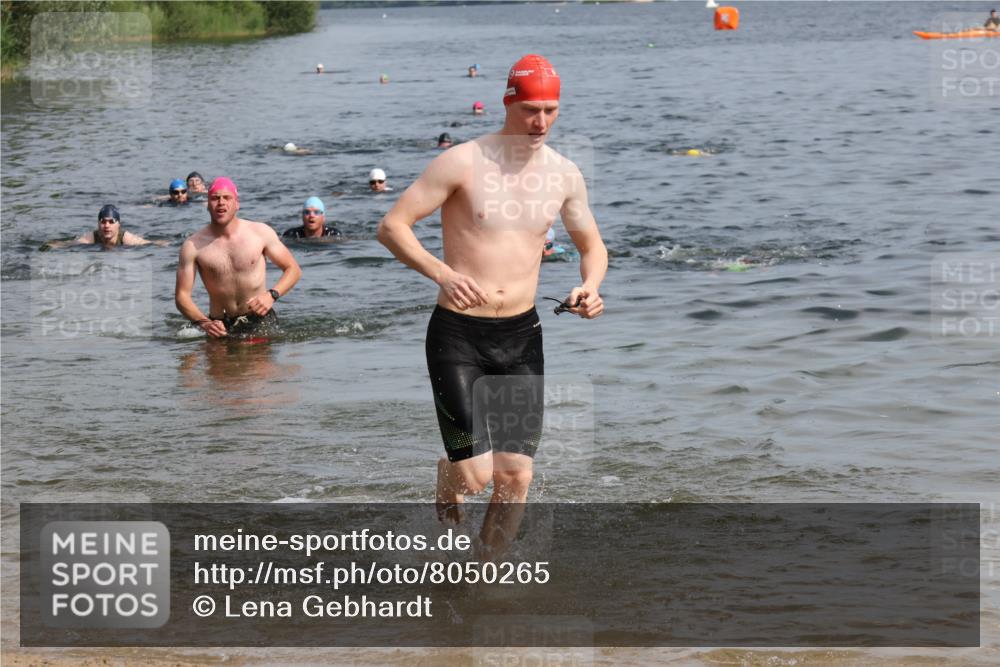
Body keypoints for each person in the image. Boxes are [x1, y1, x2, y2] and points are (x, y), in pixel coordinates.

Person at [377, 54, 607, 534]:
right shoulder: (462, 161)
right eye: (529, 109)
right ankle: (450, 474)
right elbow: (392, 226)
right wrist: (441, 273)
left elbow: (592, 246)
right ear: (507, 102)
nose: (540, 121)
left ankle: (487, 584)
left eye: (550, 109)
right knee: (478, 477)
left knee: (517, 475)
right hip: (458, 336)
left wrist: (590, 286)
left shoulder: (565, 175)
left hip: (522, 336)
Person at [175, 177, 302, 339]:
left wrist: (271, 295)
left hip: (259, 319)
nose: (221, 202)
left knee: (259, 364)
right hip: (218, 324)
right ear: (207, 205)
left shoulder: (260, 233)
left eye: (227, 198)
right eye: (215, 198)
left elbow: (293, 269)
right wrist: (205, 323)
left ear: (237, 204)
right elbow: (181, 297)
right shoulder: (192, 245)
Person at [43, 204, 156, 249]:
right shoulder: (89, 239)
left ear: (118, 225)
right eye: (103, 222)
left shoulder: (127, 238)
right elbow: (67, 245)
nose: (107, 225)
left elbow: (151, 244)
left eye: (111, 222)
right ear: (98, 224)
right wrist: (49, 246)